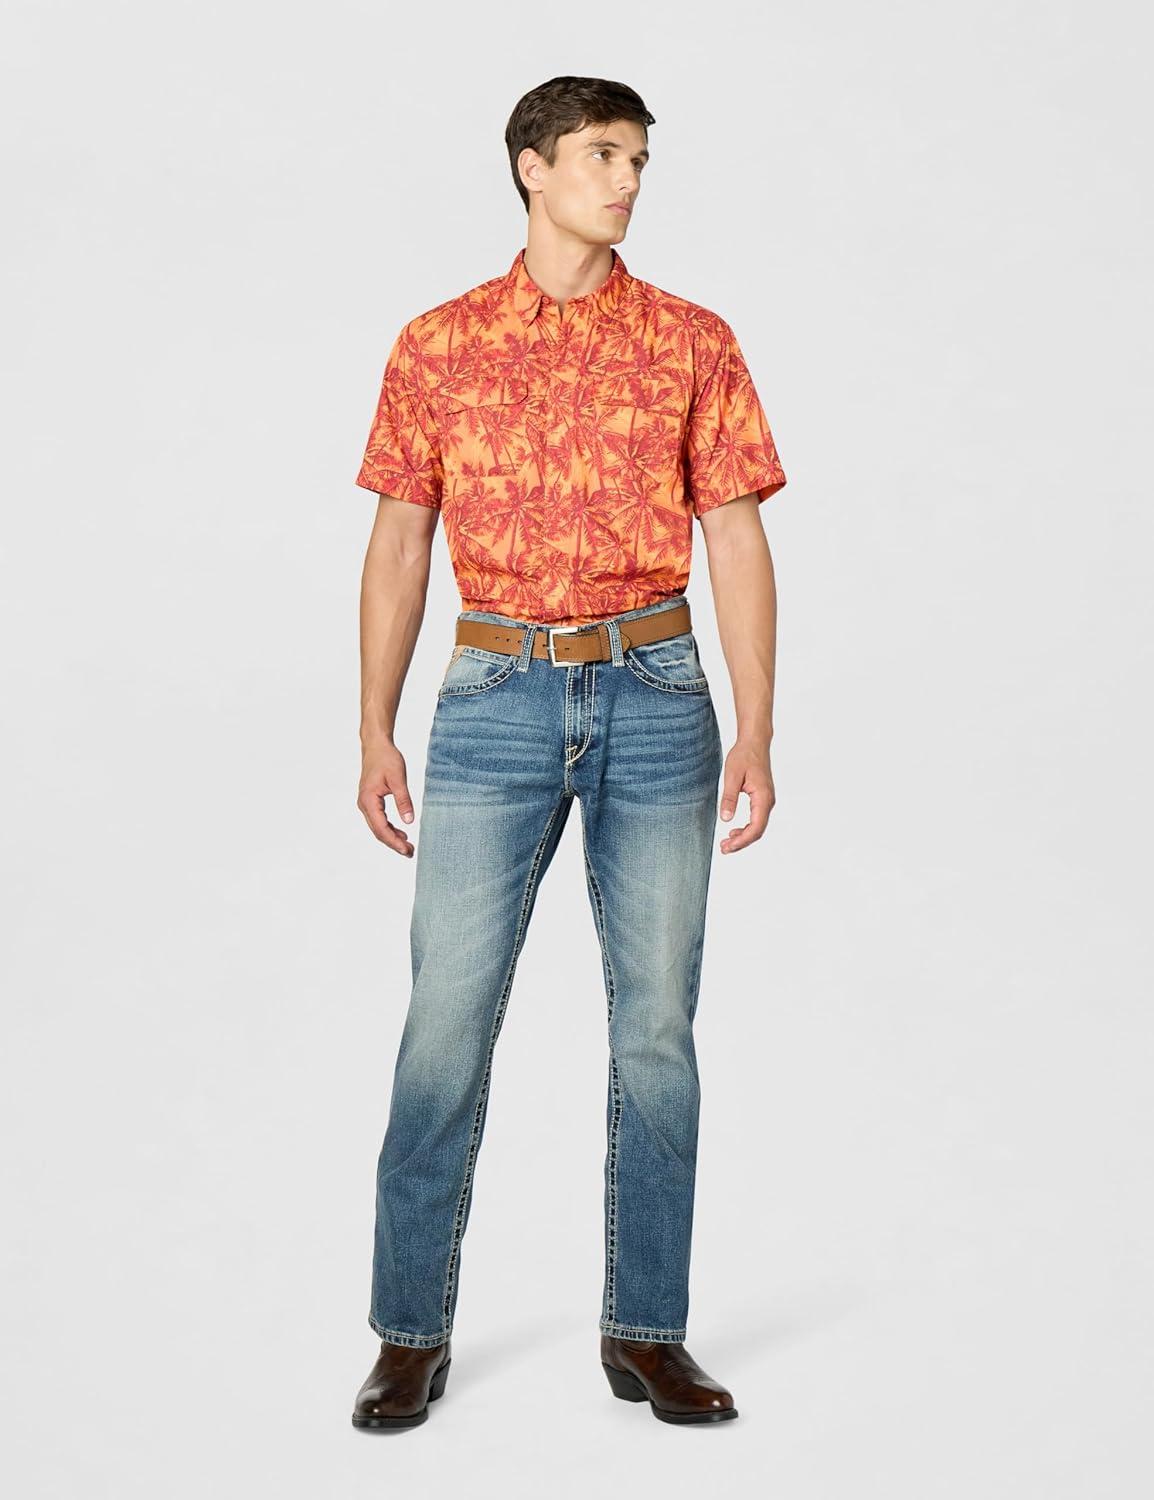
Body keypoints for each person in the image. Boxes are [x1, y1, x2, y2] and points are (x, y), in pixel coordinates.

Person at [349, 75, 786, 1430]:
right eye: (603, 154)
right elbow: (400, 540)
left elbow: (734, 536)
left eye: (640, 158)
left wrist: (758, 724)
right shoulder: (438, 344)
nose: (629, 180)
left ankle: (647, 1332)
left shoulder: (693, 339)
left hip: (658, 692)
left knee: (655, 1028)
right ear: (532, 167)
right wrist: (371, 723)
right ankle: (409, 1331)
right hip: (492, 695)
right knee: (445, 1018)